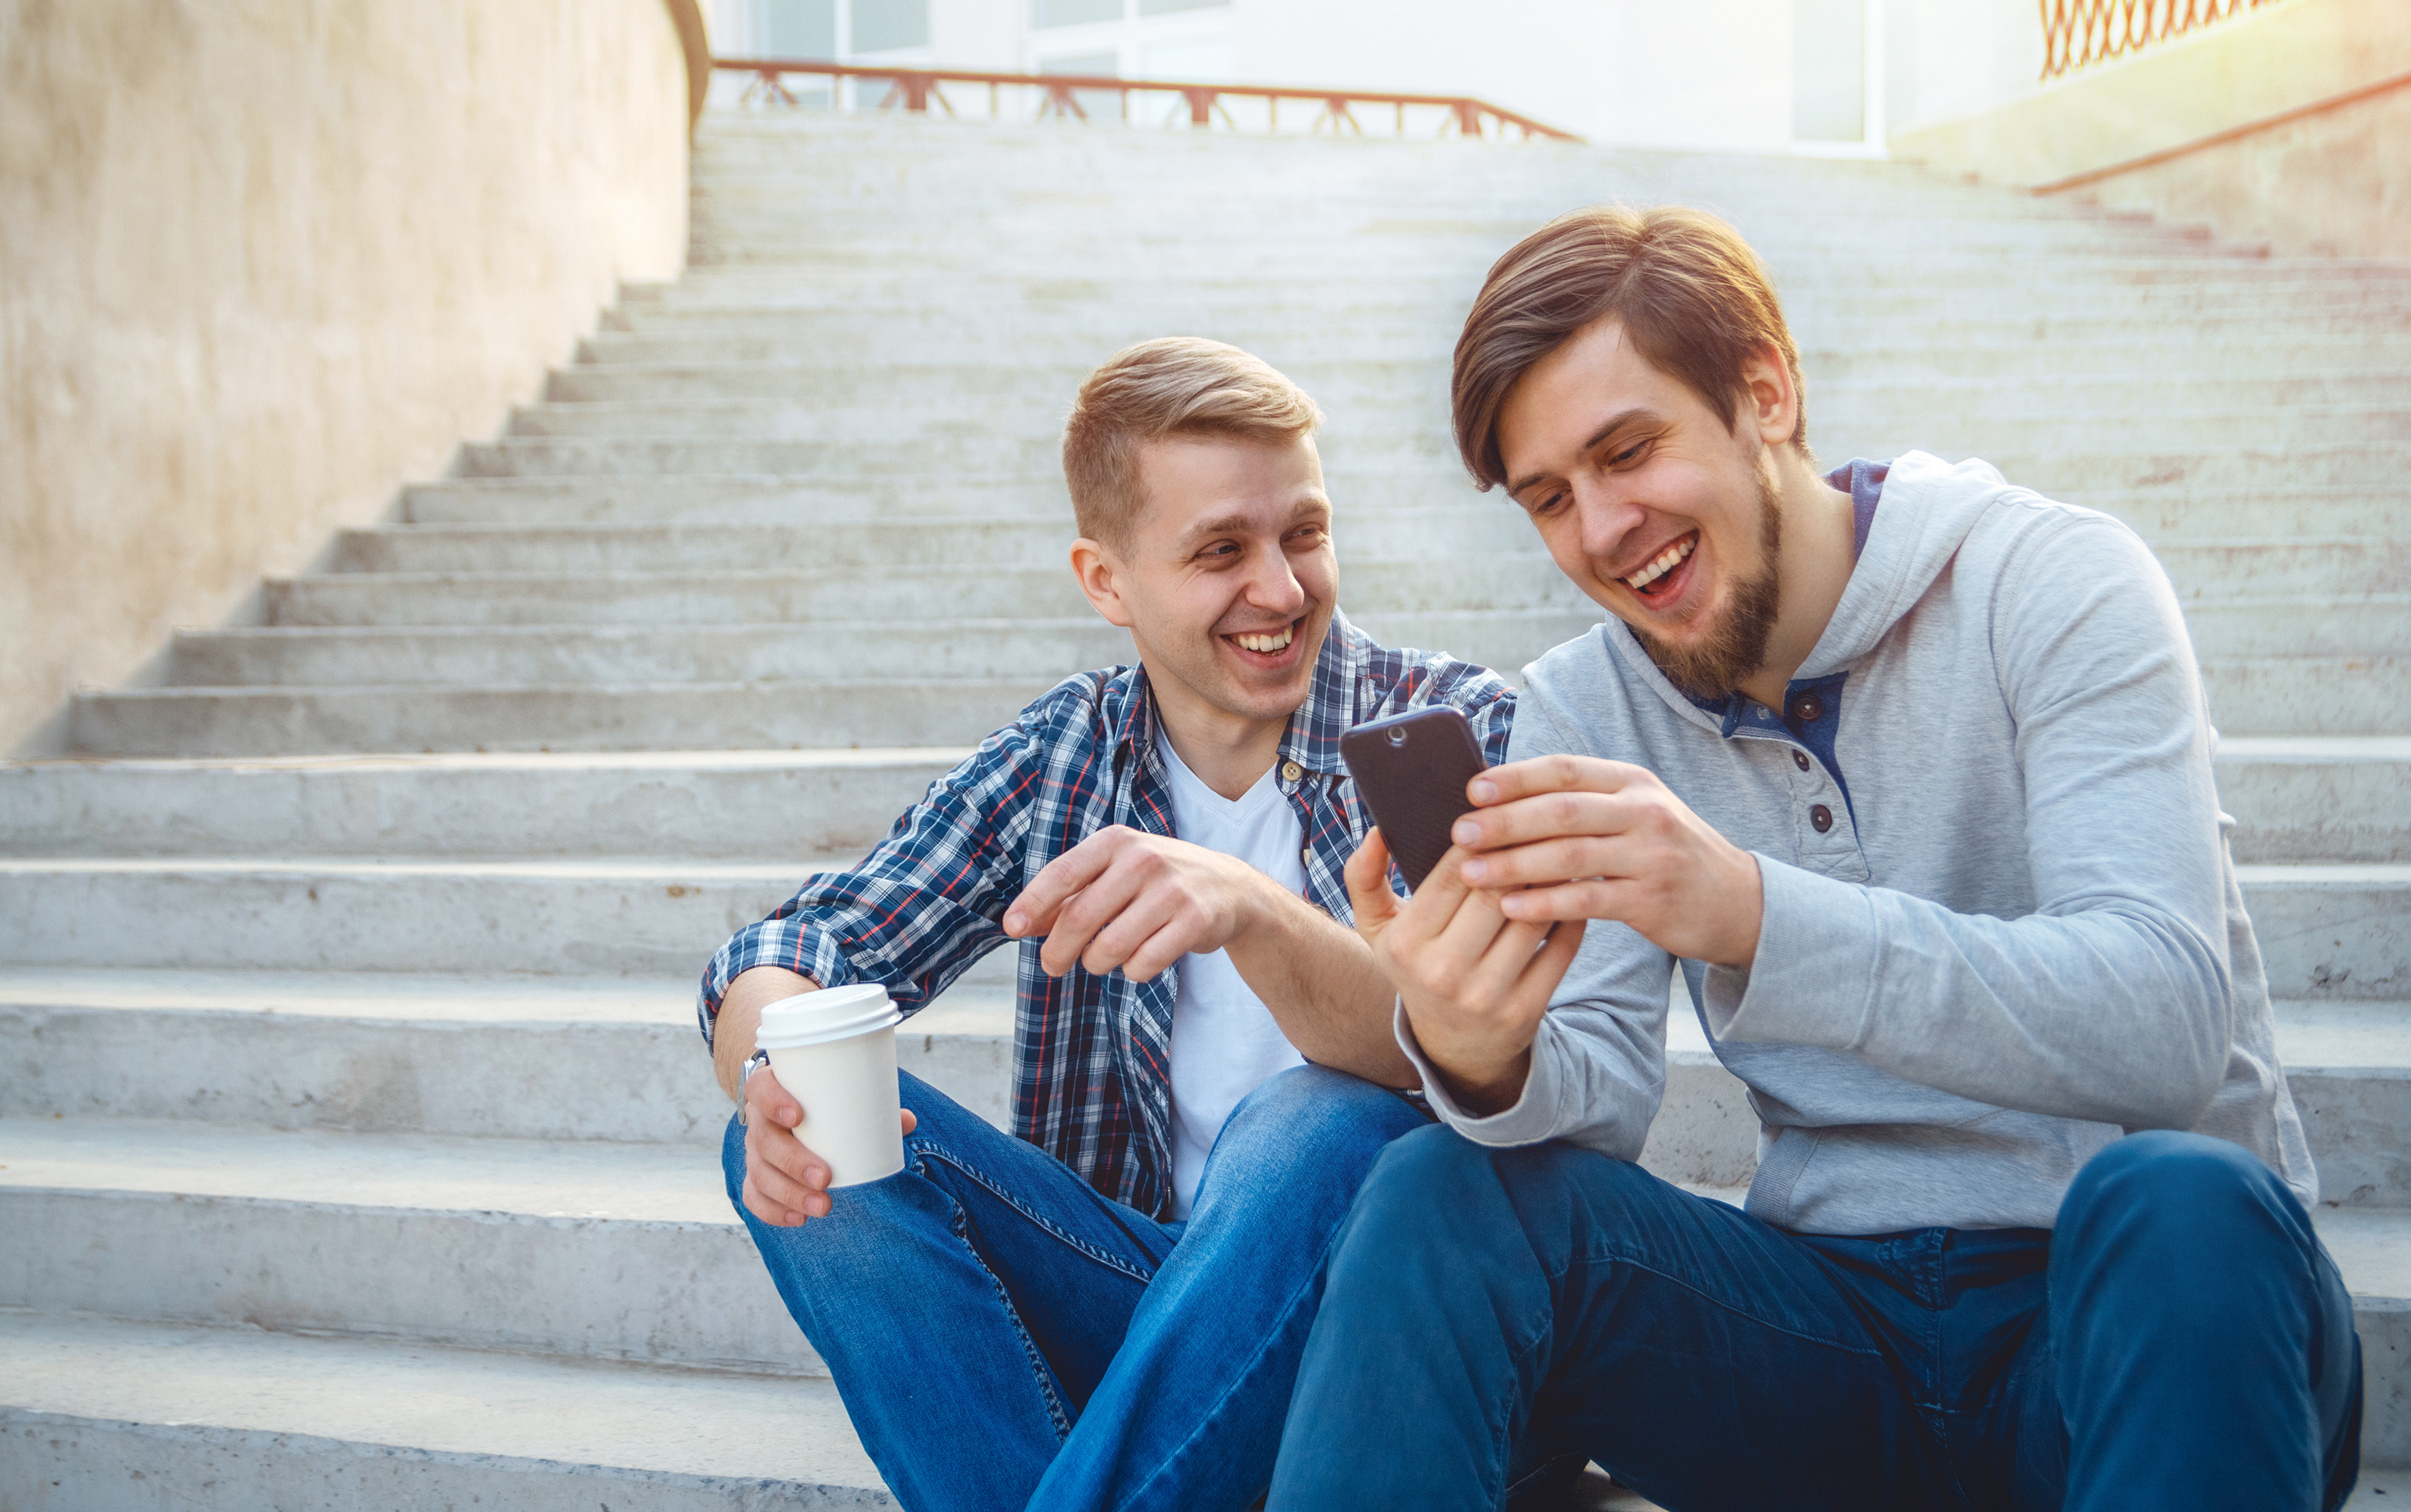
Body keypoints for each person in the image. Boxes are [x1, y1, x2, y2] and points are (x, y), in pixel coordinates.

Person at [1264, 207, 2362, 1512]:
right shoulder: (1585, 704)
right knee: (1445, 1190)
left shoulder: (2054, 580)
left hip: (2149, 1325)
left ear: (1765, 392)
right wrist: (1474, 1039)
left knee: (2180, 1196)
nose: (1606, 528)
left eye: (1630, 451)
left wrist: (1749, 913)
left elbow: (2168, 1015)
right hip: (1834, 1339)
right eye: (1551, 497)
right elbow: (1600, 1096)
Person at [700, 337, 1516, 1512]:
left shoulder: (1451, 737)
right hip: (1147, 1311)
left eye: (1305, 531)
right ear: (1107, 580)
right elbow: (800, 946)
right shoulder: (1064, 758)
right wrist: (772, 1074)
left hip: (1398, 1334)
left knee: (1325, 1119)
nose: (1283, 589)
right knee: (802, 1131)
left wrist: (1248, 911)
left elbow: (1464, 1050)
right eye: (1222, 550)